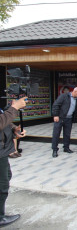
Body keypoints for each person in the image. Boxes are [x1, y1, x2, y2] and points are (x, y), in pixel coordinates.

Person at [0, 97, 27, 227]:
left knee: (7, 177)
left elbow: (2, 120)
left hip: (2, 152)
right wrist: (15, 108)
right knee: (2, 185)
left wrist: (14, 129)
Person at [51, 87, 77, 158]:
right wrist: (55, 115)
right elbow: (56, 105)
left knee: (67, 134)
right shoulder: (64, 96)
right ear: (75, 91)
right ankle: (55, 149)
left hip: (69, 119)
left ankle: (66, 147)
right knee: (56, 133)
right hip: (60, 118)